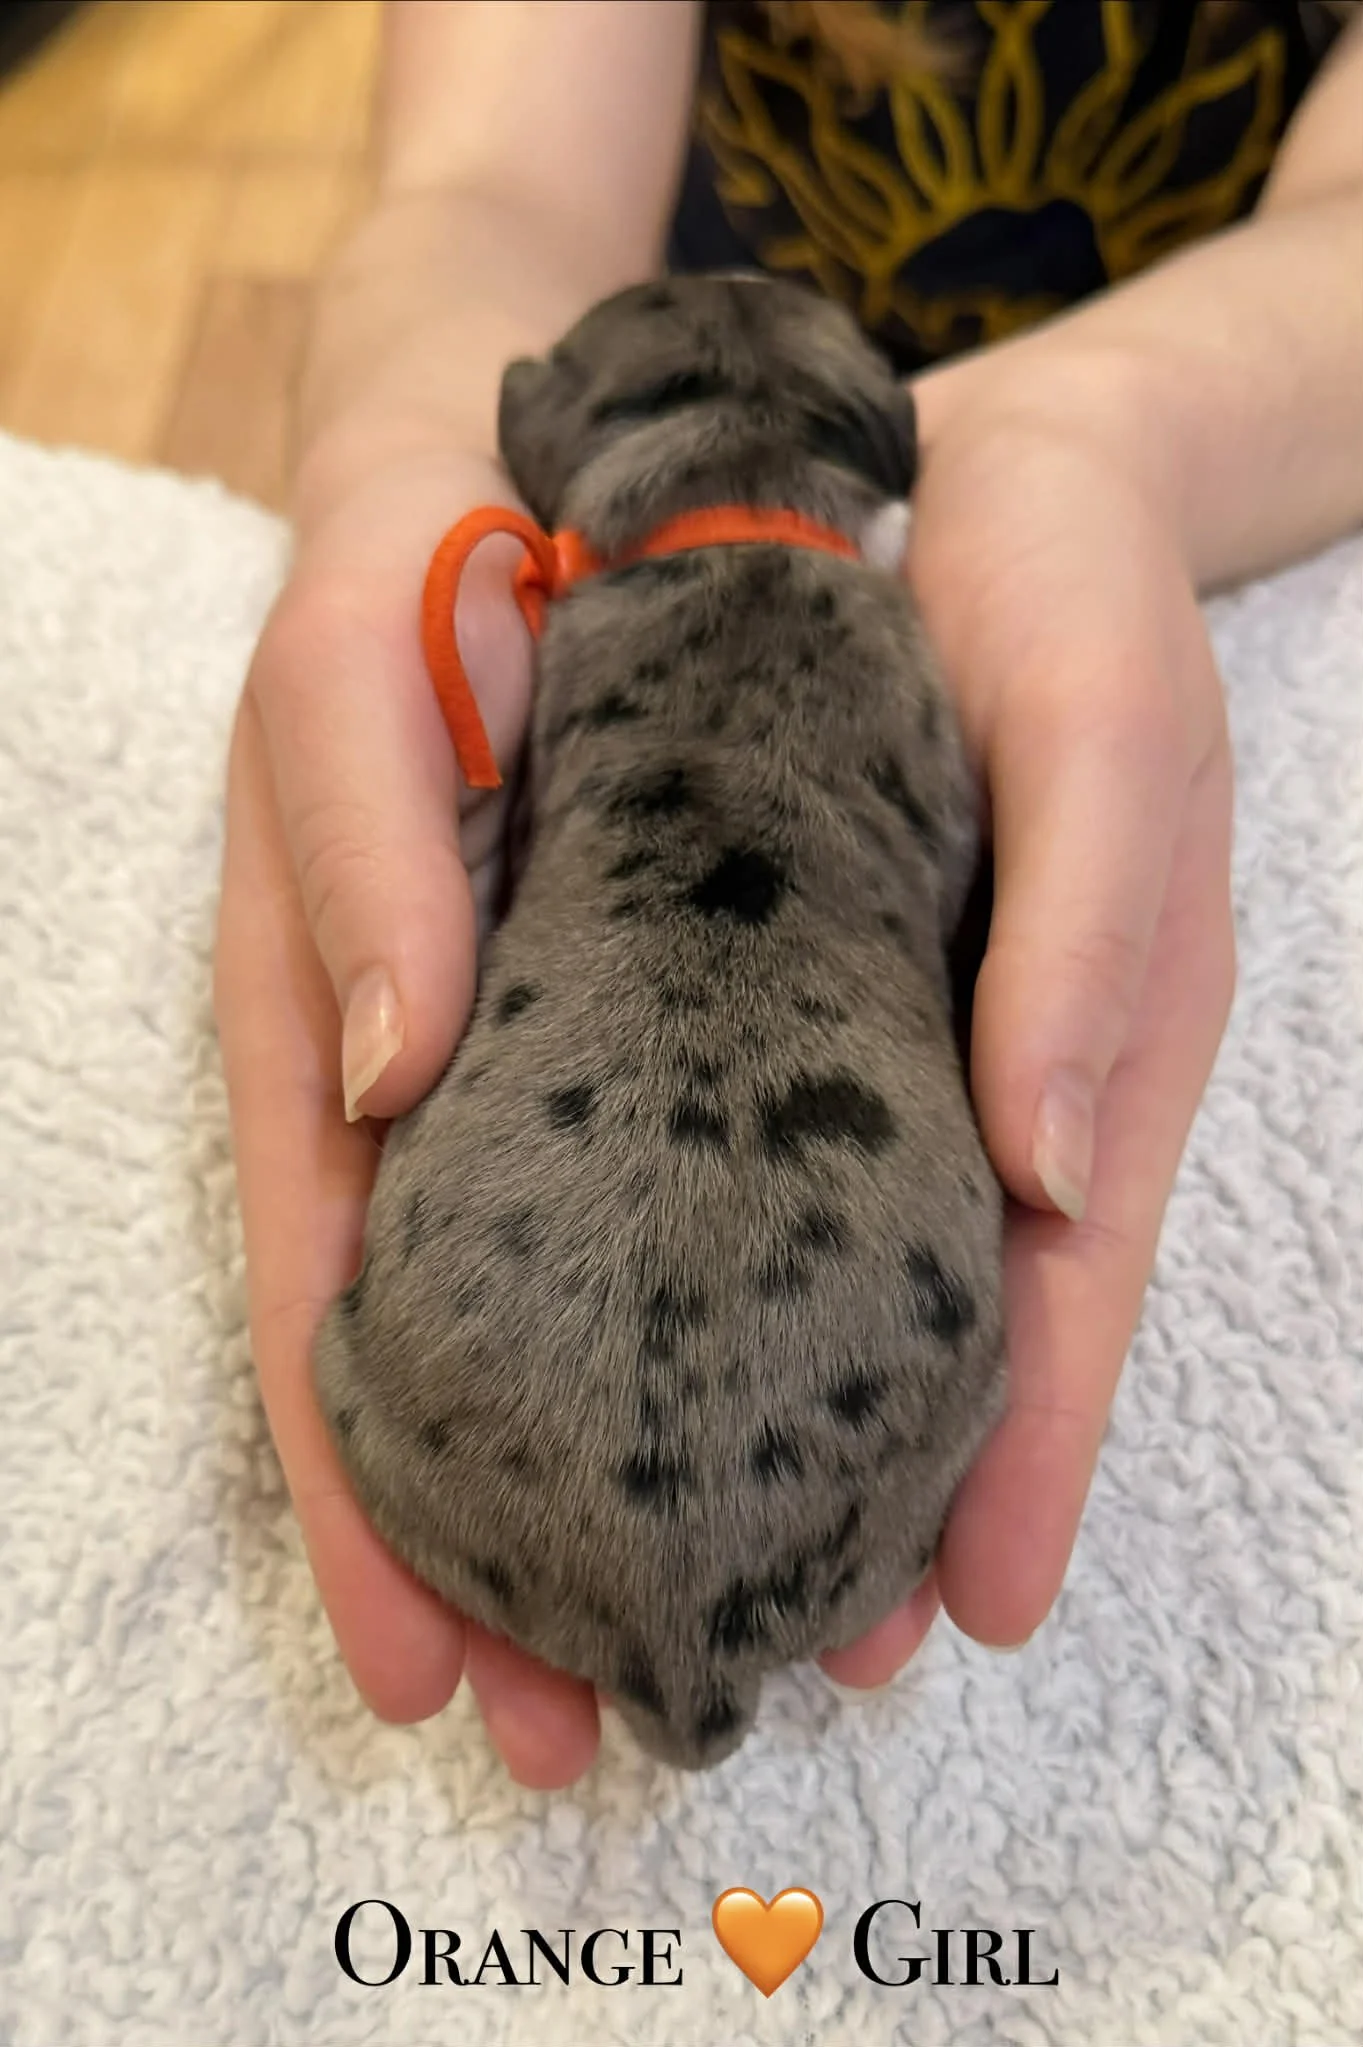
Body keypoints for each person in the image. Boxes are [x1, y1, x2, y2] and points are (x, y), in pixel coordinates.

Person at [213, 1, 1363, 1788]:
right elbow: (491, 180)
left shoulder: (587, 618)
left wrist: (1103, 435)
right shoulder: (880, 636)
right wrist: (391, 446)